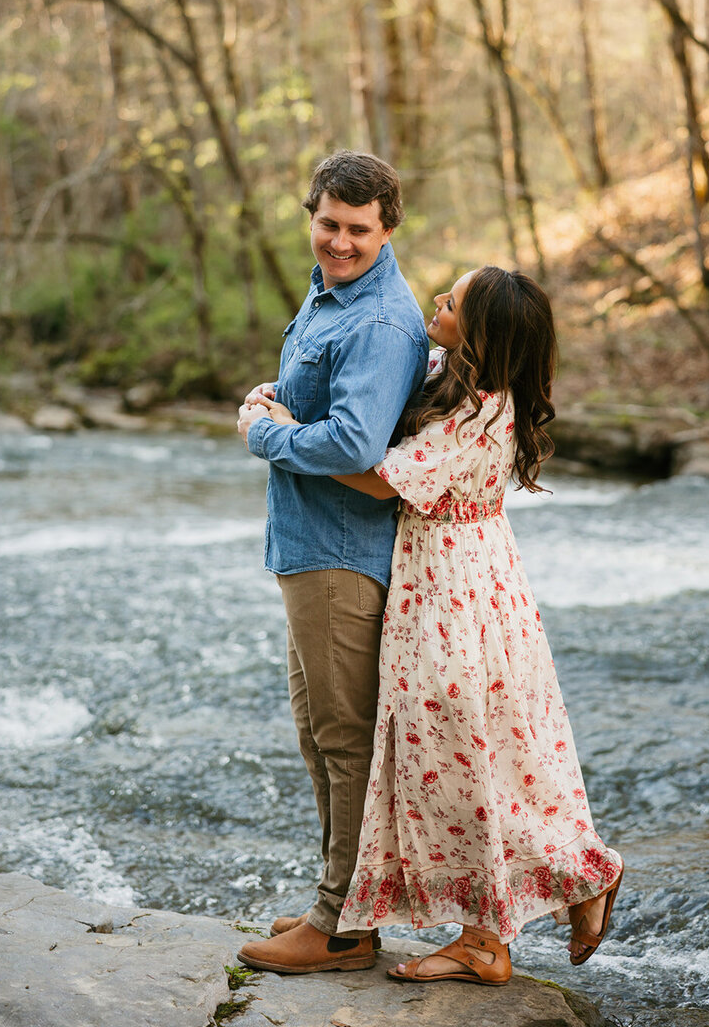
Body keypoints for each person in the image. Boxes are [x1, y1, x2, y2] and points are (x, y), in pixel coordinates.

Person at [258, 265, 623, 984]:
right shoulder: (447, 372)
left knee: (464, 754)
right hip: (459, 582)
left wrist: (279, 431)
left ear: (479, 335)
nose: (436, 302)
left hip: (455, 595)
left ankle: (491, 936)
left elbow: (375, 474)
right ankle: (564, 883)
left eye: (451, 302)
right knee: (471, 756)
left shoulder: (483, 411)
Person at [235, 150, 429, 976]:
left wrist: (264, 433)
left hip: (343, 557)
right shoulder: (331, 295)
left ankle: (344, 927)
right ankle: (336, 899)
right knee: (319, 736)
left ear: (387, 230)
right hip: (306, 547)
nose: (340, 242)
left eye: (358, 230)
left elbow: (356, 443)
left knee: (343, 738)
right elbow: (324, 404)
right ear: (309, 213)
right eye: (328, 224)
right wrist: (273, 400)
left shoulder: (381, 323)